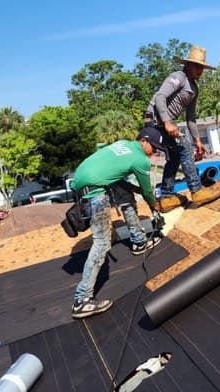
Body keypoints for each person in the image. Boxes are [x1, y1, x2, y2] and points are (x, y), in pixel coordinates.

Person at [69, 127, 167, 319]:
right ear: (144, 141)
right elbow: (148, 191)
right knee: (102, 243)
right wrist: (155, 207)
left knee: (125, 196)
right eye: (154, 148)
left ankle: (139, 241)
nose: (155, 152)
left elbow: (118, 180)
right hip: (95, 193)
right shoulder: (140, 159)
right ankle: (82, 300)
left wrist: (134, 190)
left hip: (83, 182)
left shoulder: (122, 145)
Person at [145, 45, 220, 212]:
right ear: (188, 65)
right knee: (185, 148)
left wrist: (197, 141)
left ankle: (166, 197)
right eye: (197, 66)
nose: (200, 70)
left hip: (164, 122)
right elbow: (159, 97)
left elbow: (191, 118)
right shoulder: (178, 77)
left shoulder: (194, 88)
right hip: (156, 120)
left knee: (174, 157)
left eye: (202, 67)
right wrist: (166, 121)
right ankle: (197, 190)